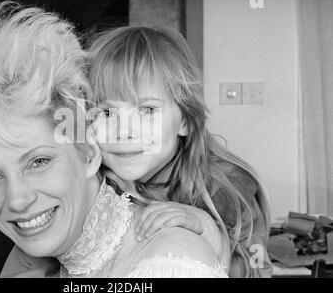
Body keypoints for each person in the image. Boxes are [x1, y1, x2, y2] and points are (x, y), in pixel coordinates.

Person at [0, 0, 228, 278]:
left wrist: (208, 230)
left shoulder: (170, 260)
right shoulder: (33, 262)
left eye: (39, 161)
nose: (17, 200)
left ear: (89, 152)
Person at [88, 26, 272, 277]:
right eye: (106, 113)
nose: (123, 131)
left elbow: (258, 270)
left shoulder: (225, 187)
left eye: (146, 111)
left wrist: (209, 232)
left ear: (185, 120)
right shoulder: (92, 186)